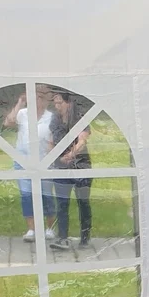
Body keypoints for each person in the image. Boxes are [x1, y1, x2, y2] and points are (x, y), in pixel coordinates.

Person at [3, 85, 56, 243]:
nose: (38, 101)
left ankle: (49, 229)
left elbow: (56, 137)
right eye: (35, 97)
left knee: (46, 195)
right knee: (27, 196)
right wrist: (20, 102)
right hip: (23, 161)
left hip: (44, 161)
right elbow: (8, 123)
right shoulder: (23, 113)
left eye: (42, 98)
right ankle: (32, 230)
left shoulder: (51, 117)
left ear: (47, 101)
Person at [49, 89, 93, 250]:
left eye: (59, 102)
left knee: (83, 202)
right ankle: (63, 238)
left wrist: (70, 155)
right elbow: (51, 140)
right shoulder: (55, 119)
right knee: (61, 203)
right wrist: (54, 157)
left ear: (69, 103)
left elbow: (82, 140)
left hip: (81, 165)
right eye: (54, 103)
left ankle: (85, 237)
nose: (56, 106)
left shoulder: (79, 117)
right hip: (60, 166)